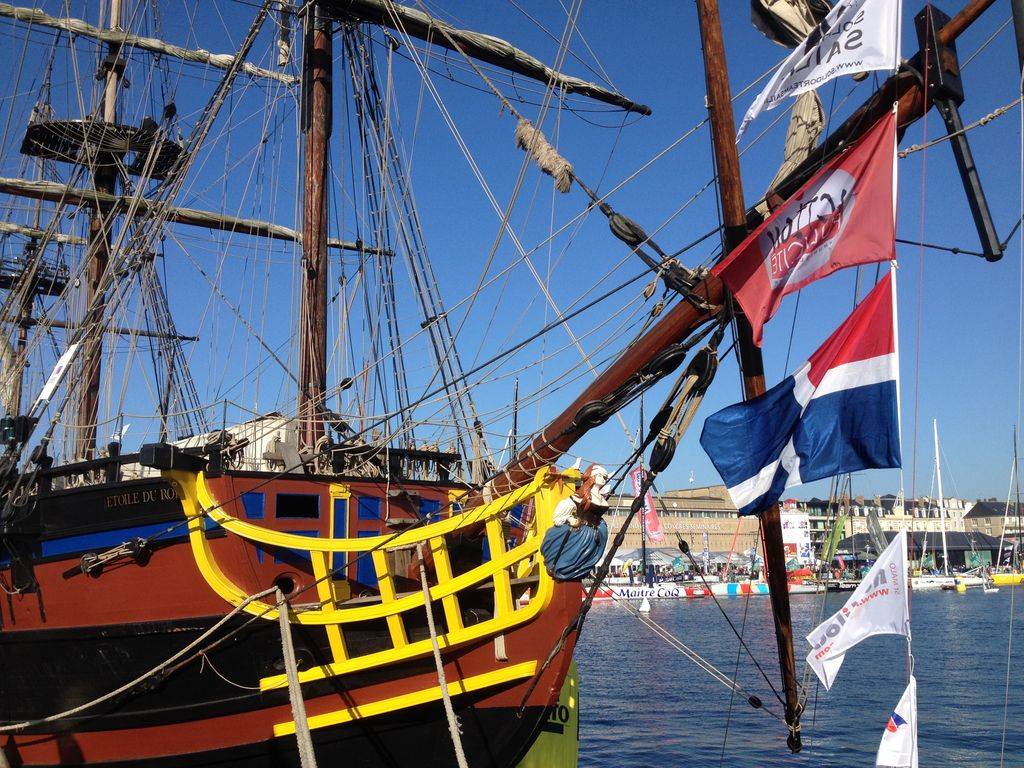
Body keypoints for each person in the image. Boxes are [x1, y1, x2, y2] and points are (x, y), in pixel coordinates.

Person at [540, 463, 611, 581]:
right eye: (601, 476)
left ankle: (579, 571)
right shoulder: (583, 495)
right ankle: (564, 570)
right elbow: (565, 506)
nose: (603, 479)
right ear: (592, 476)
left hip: (595, 533)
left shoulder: (601, 498)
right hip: (582, 533)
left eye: (605, 477)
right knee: (573, 556)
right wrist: (569, 518)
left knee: (587, 556)